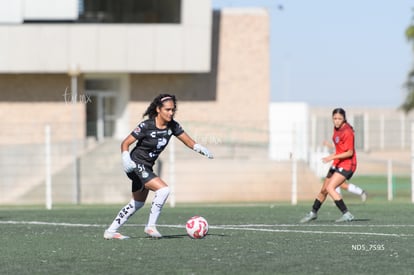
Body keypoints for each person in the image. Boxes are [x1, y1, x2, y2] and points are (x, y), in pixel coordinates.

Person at [104, 94, 213, 239]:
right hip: (135, 164)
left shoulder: (173, 126)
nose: (171, 113)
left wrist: (200, 148)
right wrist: (125, 158)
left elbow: (189, 142)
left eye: (173, 110)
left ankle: (110, 231)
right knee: (164, 190)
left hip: (147, 167)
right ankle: (150, 227)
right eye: (167, 110)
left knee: (137, 203)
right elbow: (125, 143)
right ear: (158, 109)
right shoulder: (146, 126)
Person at [300, 108, 356, 223]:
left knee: (330, 188)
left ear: (344, 118)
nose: (337, 121)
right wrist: (331, 150)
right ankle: (313, 212)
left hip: (348, 164)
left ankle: (347, 214)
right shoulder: (336, 129)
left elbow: (349, 152)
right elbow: (340, 147)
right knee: (324, 189)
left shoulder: (347, 132)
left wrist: (331, 157)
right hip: (338, 162)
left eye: (340, 118)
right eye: (335, 118)